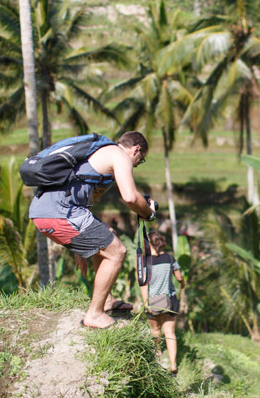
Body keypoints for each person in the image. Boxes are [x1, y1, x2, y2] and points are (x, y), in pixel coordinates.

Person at [29, 131, 157, 329]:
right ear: (136, 150)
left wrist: (82, 246)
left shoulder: (95, 153)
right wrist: (148, 213)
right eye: (140, 160)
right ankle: (94, 314)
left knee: (107, 235)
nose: (136, 164)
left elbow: (79, 203)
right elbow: (130, 197)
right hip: (58, 213)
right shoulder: (118, 155)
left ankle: (107, 301)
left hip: (45, 211)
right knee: (118, 252)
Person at [141, 231, 185, 376]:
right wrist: (182, 284)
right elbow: (179, 277)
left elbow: (143, 284)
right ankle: (173, 364)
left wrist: (145, 302)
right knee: (170, 333)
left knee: (155, 330)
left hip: (152, 301)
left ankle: (158, 352)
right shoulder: (170, 258)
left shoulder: (145, 261)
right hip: (169, 301)